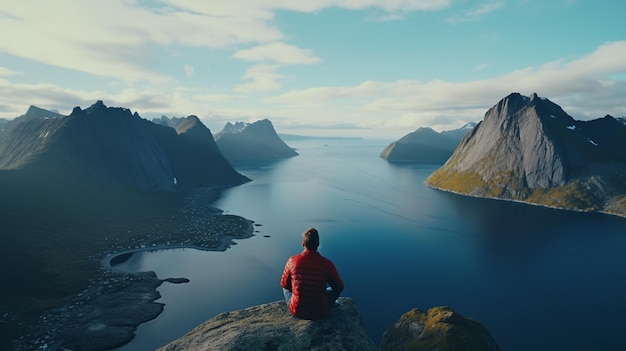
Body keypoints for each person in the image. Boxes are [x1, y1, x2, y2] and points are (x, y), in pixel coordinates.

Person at [280, 227, 344, 319]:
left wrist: (297, 290)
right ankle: (330, 304)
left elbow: (284, 284)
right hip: (320, 311)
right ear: (318, 244)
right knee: (330, 289)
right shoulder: (327, 264)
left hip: (297, 310)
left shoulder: (292, 261)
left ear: (303, 244)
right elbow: (339, 287)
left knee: (285, 287)